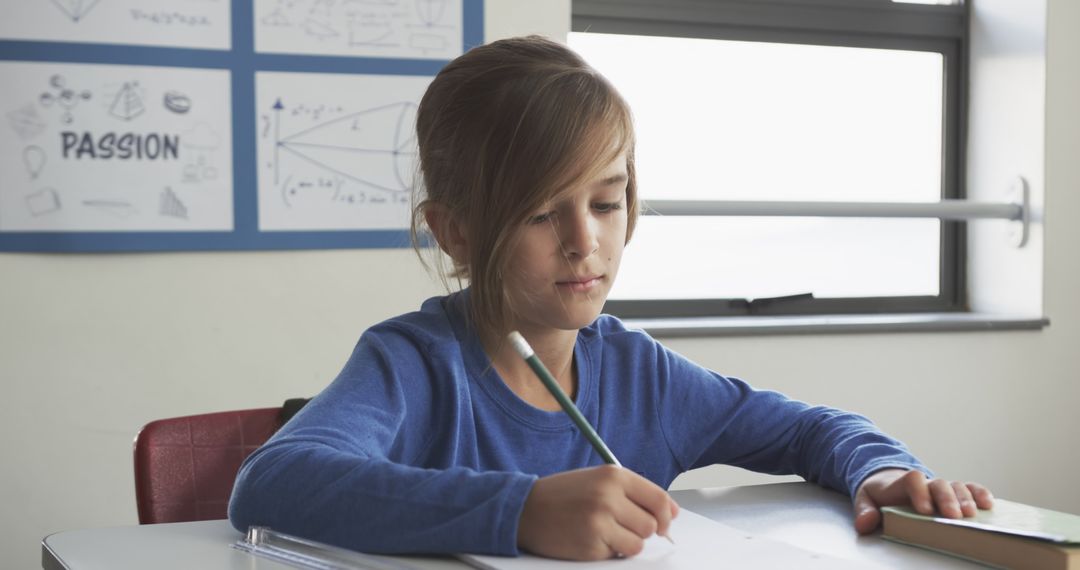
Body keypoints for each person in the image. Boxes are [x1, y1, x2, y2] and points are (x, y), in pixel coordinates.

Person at [228, 35, 993, 561]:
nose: (583, 241)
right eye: (539, 212)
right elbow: (272, 482)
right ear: (455, 232)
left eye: (606, 202)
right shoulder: (414, 367)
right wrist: (520, 511)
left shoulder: (639, 376)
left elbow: (813, 430)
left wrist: (881, 471)